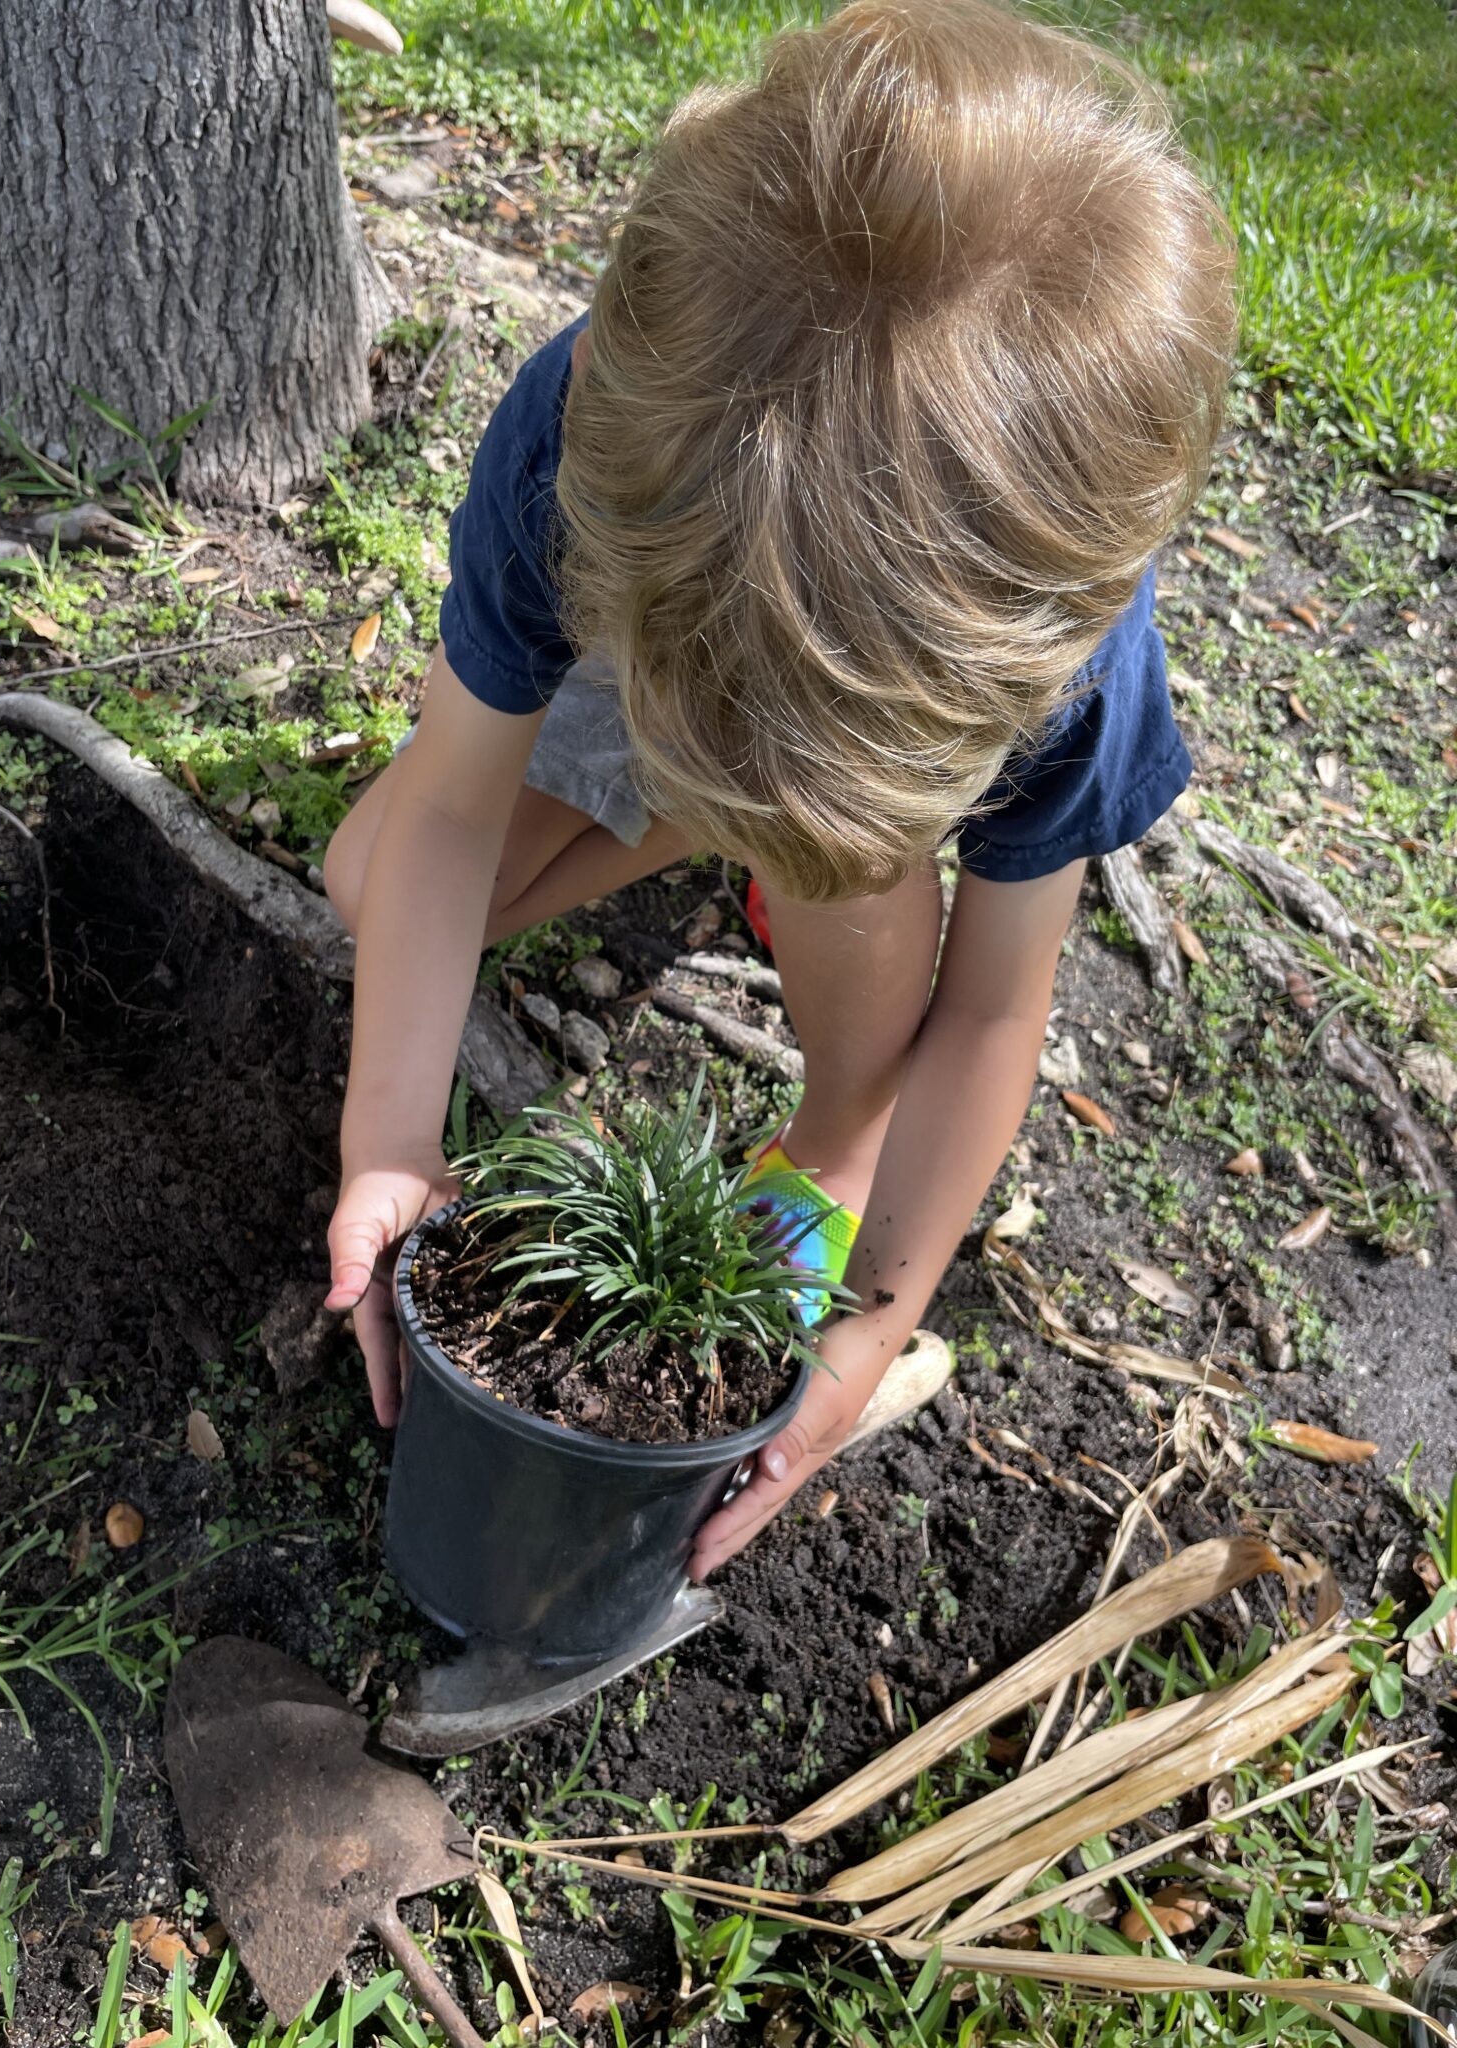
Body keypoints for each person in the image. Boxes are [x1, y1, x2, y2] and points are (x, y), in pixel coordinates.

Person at [320, 0, 1235, 1582]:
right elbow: (454, 807)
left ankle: (832, 1108)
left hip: (833, 712)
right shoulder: (588, 430)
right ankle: (723, 792)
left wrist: (875, 1319)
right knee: (365, 879)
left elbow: (996, 1003)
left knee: (841, 873)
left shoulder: (1065, 660)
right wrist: (389, 1140)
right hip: (670, 617)